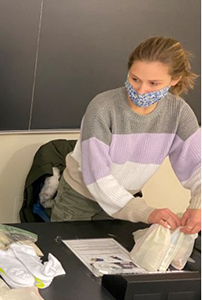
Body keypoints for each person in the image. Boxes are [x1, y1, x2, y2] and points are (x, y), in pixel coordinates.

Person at [51, 37, 201, 234]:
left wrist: (198, 206)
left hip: (127, 202)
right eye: (135, 79)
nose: (141, 90)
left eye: (154, 83)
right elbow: (97, 176)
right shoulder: (103, 107)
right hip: (80, 202)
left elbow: (198, 166)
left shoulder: (179, 113)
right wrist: (145, 212)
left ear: (174, 80)